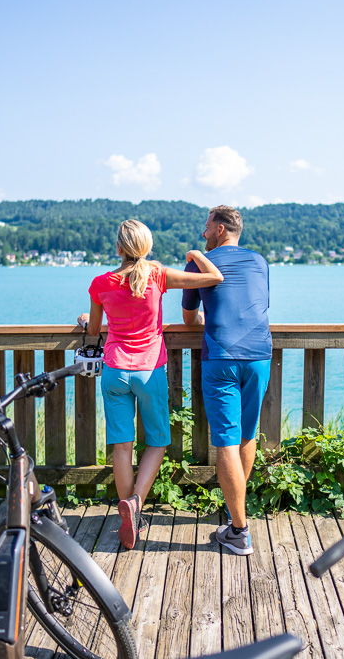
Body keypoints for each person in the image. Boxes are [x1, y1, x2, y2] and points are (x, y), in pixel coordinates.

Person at [78, 219, 224, 549]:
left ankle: (125, 514)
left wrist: (86, 321)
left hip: (115, 370)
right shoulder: (157, 274)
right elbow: (215, 277)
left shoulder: (101, 282)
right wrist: (197, 254)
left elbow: (93, 331)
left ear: (119, 248)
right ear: (147, 246)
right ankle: (136, 503)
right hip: (150, 370)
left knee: (122, 445)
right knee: (157, 441)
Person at [182, 205, 272, 556]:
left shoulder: (199, 263)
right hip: (259, 354)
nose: (203, 234)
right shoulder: (260, 262)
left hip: (221, 356)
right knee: (247, 435)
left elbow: (189, 319)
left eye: (206, 228)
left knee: (226, 443)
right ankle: (238, 513)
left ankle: (239, 530)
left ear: (220, 230)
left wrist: (203, 316)